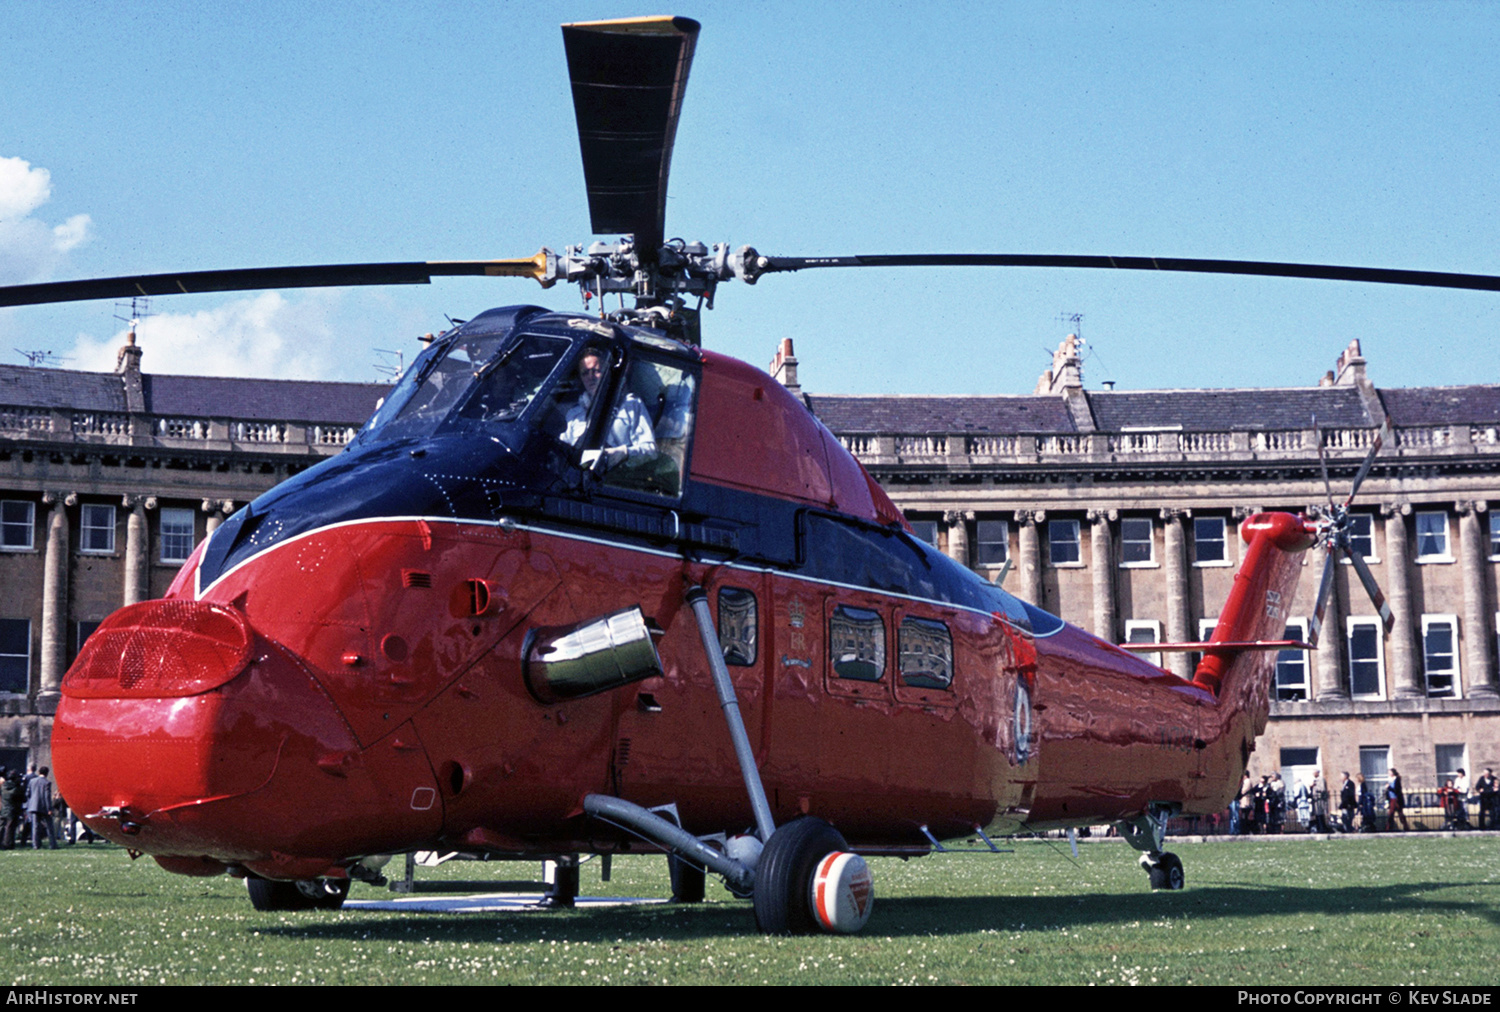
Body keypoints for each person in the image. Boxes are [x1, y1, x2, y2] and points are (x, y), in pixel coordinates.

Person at [560, 347, 656, 468]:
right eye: (585, 373)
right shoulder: (574, 414)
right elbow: (562, 451)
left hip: (617, 479)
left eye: (596, 370)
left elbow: (651, 451)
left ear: (607, 372)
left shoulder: (631, 405)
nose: (591, 377)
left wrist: (624, 453)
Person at [24, 766, 57, 850]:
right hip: (43, 807)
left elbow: (28, 793)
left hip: (33, 806)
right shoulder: (47, 783)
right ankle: (52, 844)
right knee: (49, 826)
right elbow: (47, 797)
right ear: (47, 773)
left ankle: (35, 845)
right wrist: (49, 809)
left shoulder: (32, 781)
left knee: (35, 826)